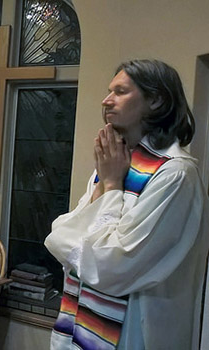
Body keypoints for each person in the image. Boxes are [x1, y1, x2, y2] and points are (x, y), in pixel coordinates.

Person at [44, 59, 209, 349]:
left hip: (137, 331)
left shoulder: (176, 174)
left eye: (120, 91)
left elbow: (108, 267)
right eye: (109, 91)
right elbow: (61, 241)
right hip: (82, 322)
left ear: (156, 101)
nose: (107, 101)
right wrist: (107, 184)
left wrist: (111, 188)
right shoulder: (115, 164)